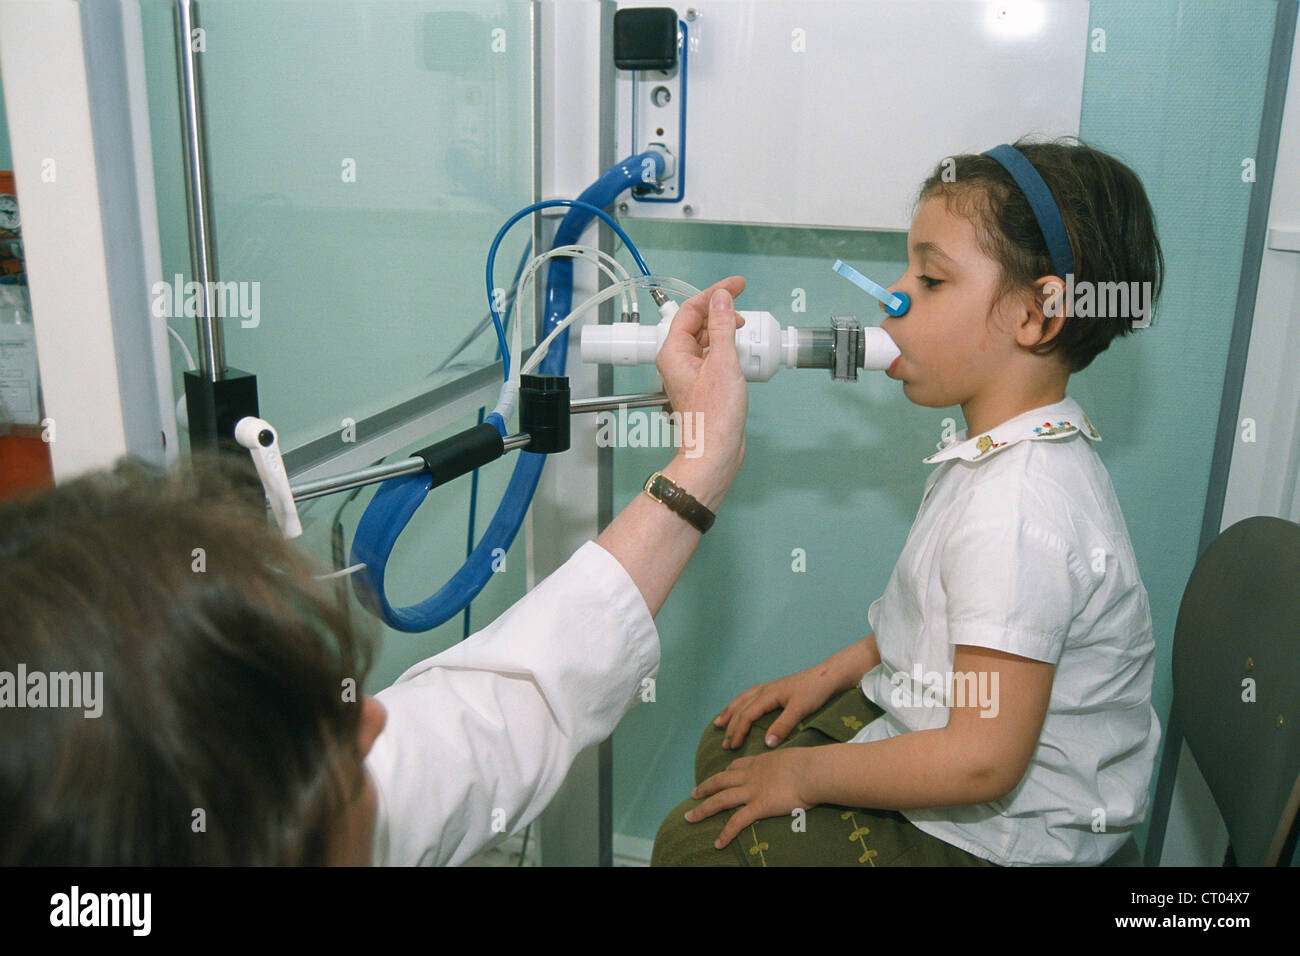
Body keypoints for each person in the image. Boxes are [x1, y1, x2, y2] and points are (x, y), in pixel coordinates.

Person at [0, 276, 749, 866]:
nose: (374, 719)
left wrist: (701, 461)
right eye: (316, 734)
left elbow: (496, 716)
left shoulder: (287, 822)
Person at [652, 137, 1165, 867]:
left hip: (1002, 835)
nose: (893, 301)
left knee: (693, 847)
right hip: (954, 740)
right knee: (731, 745)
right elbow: (937, 624)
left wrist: (803, 774)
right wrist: (828, 675)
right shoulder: (1002, 451)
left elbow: (983, 761)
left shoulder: (1019, 512)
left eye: (929, 279)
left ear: (1036, 316)